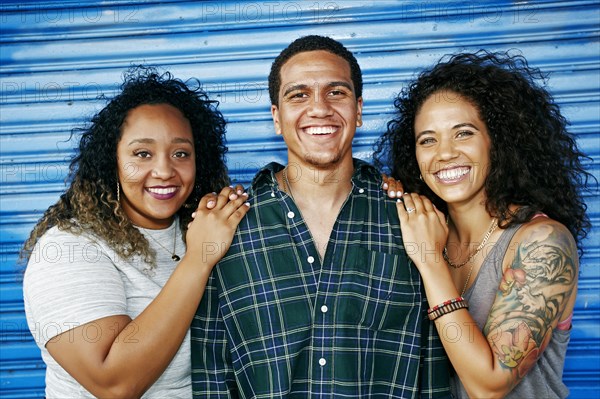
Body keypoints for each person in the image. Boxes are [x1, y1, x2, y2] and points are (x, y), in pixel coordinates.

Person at [190, 35, 450, 398]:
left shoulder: (410, 220)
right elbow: (212, 373)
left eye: (336, 92)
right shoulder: (227, 224)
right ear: (276, 118)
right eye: (299, 94)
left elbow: (432, 369)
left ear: (358, 110)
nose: (319, 108)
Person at [21, 66, 250, 398]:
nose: (164, 170)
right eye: (142, 153)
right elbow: (113, 383)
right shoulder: (69, 249)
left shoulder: (203, 228)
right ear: (111, 161)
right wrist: (199, 258)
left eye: (181, 153)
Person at [375, 50, 592, 398]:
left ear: (498, 142)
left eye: (463, 133)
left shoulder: (542, 242)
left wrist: (430, 261)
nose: (445, 153)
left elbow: (488, 384)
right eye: (427, 140)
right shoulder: (422, 229)